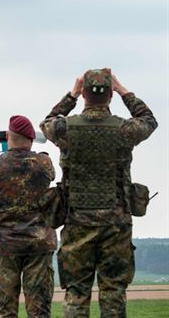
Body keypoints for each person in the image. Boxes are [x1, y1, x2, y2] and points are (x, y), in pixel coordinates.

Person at [40, 69, 157, 317]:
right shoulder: (124, 129)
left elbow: (47, 121)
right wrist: (124, 90)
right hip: (116, 223)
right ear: (110, 96)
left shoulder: (65, 128)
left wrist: (70, 96)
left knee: (76, 292)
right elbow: (148, 120)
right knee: (113, 291)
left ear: (83, 94)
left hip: (77, 220)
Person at [0, 115, 57, 318]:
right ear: (30, 139)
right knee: (39, 311)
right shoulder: (43, 162)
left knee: (6, 310)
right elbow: (51, 175)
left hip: (6, 246)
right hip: (39, 244)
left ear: (8, 136)